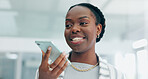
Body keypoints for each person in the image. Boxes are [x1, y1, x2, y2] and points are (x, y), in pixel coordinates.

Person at [35, 3, 126, 79]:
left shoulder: (116, 75)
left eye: (83, 23)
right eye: (68, 25)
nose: (74, 29)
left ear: (98, 29)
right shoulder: (48, 71)